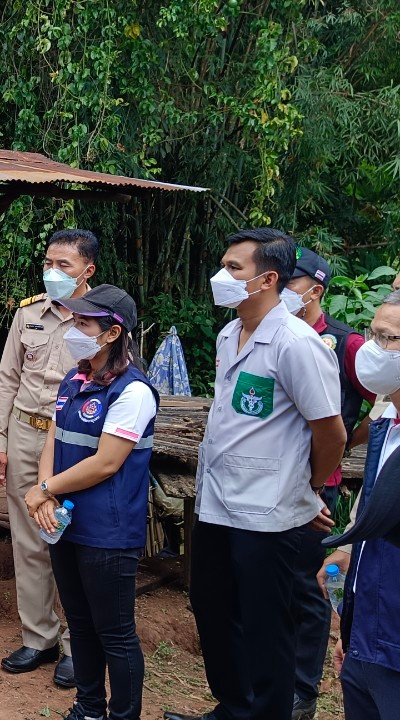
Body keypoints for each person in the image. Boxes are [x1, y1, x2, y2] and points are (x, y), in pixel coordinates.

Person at [164, 228, 347, 720]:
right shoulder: (230, 334)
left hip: (268, 512)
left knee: (266, 622)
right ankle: (234, 705)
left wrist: (306, 488)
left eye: (234, 269)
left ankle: (267, 711)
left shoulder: (296, 344)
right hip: (217, 501)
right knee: (212, 607)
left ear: (267, 278)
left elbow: (331, 434)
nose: (221, 276)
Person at [24, 285, 158, 720]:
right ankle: (88, 707)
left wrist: (45, 491)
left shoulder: (133, 392)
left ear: (111, 333)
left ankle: (122, 715)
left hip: (108, 531)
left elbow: (106, 463)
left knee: (115, 632)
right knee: (79, 623)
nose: (73, 329)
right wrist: (47, 493)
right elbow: (53, 437)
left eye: (83, 323)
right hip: (65, 524)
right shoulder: (75, 378)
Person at [0, 229, 99, 687]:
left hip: (75, 441)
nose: (53, 272)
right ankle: (39, 637)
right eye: (49, 264)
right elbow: (7, 379)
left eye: (64, 266)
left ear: (87, 270)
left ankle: (78, 645)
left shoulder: (103, 317)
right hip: (25, 435)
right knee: (29, 539)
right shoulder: (28, 314)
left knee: (73, 540)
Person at [280, 246, 372, 720]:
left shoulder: (346, 344)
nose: (279, 289)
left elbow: (383, 398)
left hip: (318, 488)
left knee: (307, 587)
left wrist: (346, 447)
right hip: (272, 483)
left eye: (290, 282)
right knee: (271, 585)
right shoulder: (273, 332)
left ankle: (302, 694)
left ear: (315, 290)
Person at [316, 290, 400, 720]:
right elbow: (374, 505)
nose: (374, 348)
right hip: (367, 622)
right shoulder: (385, 423)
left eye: (390, 339)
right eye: (374, 333)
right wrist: (348, 549)